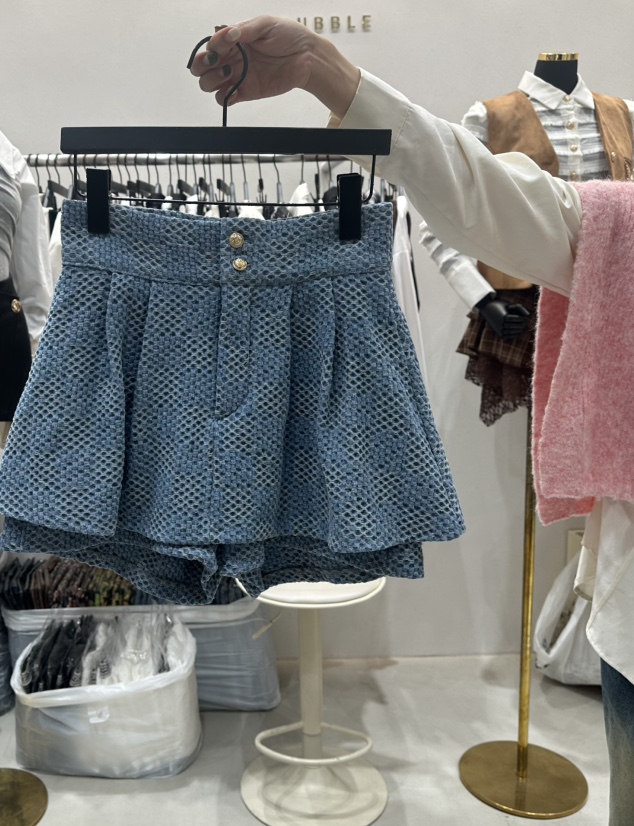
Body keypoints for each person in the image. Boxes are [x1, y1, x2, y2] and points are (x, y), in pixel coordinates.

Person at [191, 16, 633, 826]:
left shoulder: (620, 118)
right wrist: (322, 68)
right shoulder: (563, 172)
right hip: (534, 311)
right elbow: (471, 197)